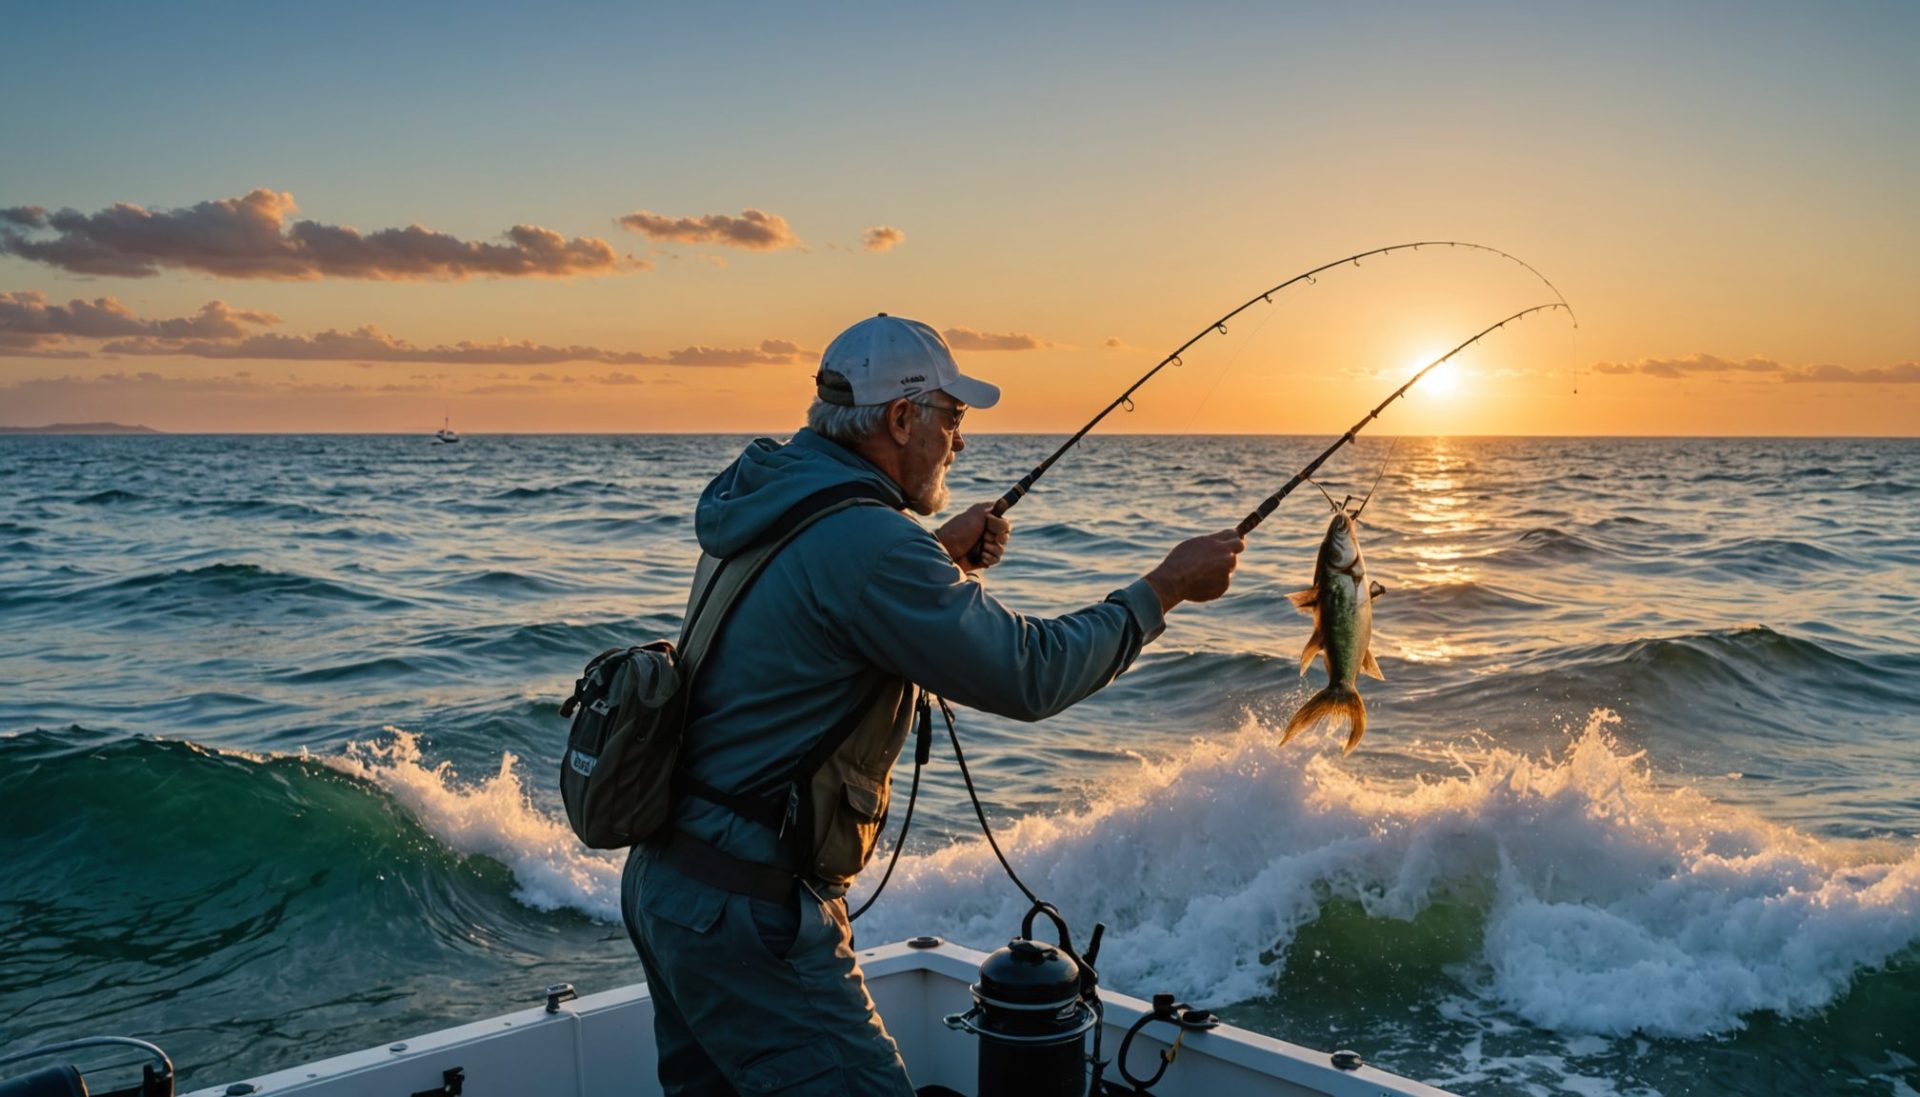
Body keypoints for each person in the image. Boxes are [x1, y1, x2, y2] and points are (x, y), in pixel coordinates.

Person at [620, 313, 1244, 1096]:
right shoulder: (873, 546)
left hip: (671, 886)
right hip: (749, 917)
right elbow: (1029, 673)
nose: (961, 440)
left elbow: (811, 613)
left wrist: (935, 553)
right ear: (900, 417)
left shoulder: (774, 496)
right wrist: (1163, 590)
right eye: (952, 417)